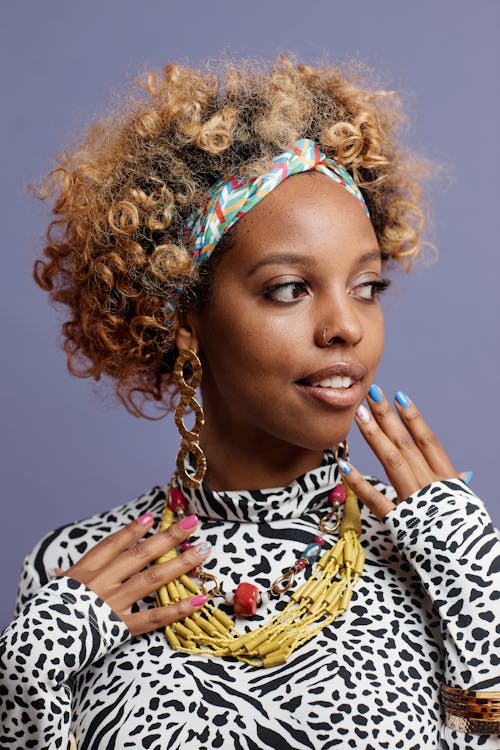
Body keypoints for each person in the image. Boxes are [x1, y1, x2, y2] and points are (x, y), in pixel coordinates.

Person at [1, 56, 498, 750]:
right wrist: (29, 676)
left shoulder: (433, 557)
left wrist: (478, 591)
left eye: (367, 287)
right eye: (290, 288)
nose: (346, 326)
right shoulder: (78, 568)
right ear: (183, 316)